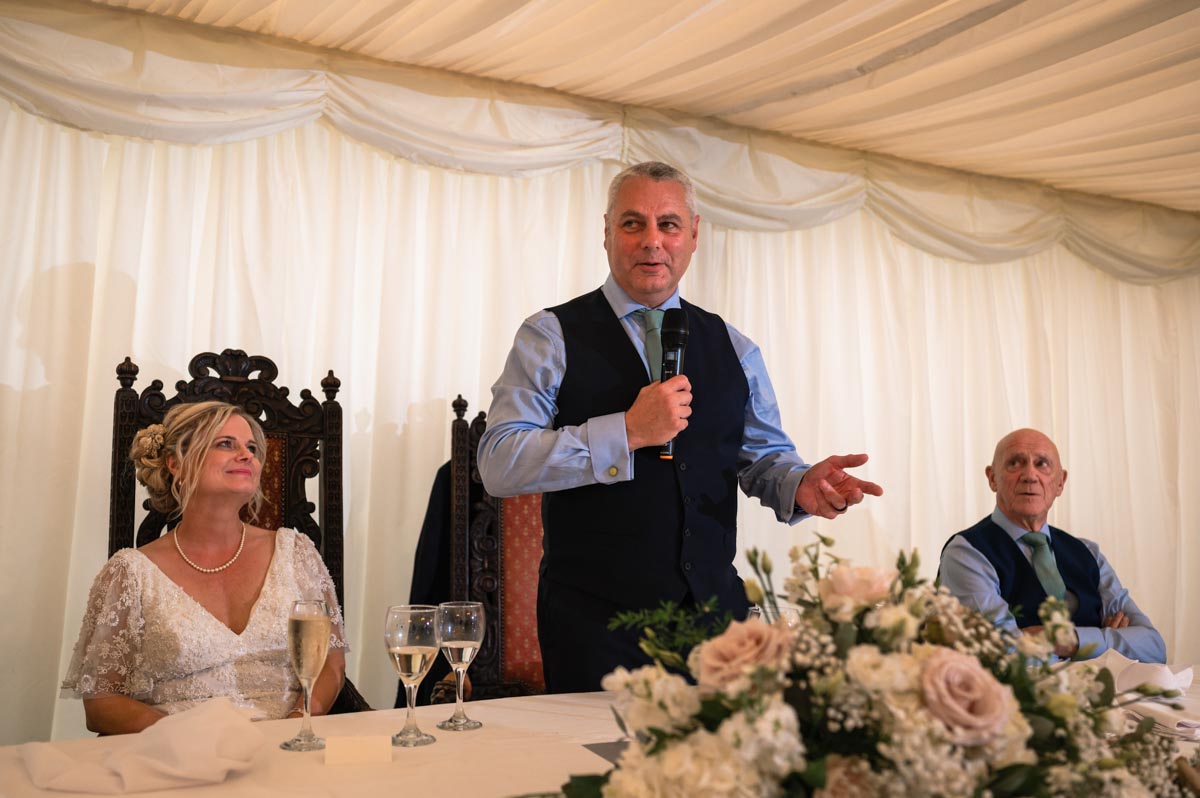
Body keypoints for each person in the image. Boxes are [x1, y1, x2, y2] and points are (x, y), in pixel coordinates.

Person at [478, 161, 883, 692]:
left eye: (668, 225)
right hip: (597, 632)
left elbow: (762, 459)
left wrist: (801, 484)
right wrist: (625, 431)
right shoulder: (549, 336)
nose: (652, 241)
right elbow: (499, 463)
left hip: (721, 629)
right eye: (632, 224)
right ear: (605, 234)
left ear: (693, 236)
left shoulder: (736, 348)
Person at [61, 401, 348, 734]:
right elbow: (101, 703)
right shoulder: (130, 573)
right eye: (226, 443)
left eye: (252, 448)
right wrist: (190, 741)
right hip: (179, 760)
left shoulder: (297, 553)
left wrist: (297, 724)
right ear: (176, 464)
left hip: (288, 749)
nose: (247, 455)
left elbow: (331, 661)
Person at [939, 428, 1165, 662]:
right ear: (992, 478)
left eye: (1042, 464)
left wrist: (1070, 641)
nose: (1029, 475)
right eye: (1015, 463)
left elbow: (1154, 648)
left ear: (1060, 482)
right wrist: (1107, 643)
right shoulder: (967, 553)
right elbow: (1002, 655)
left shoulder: (1088, 553)